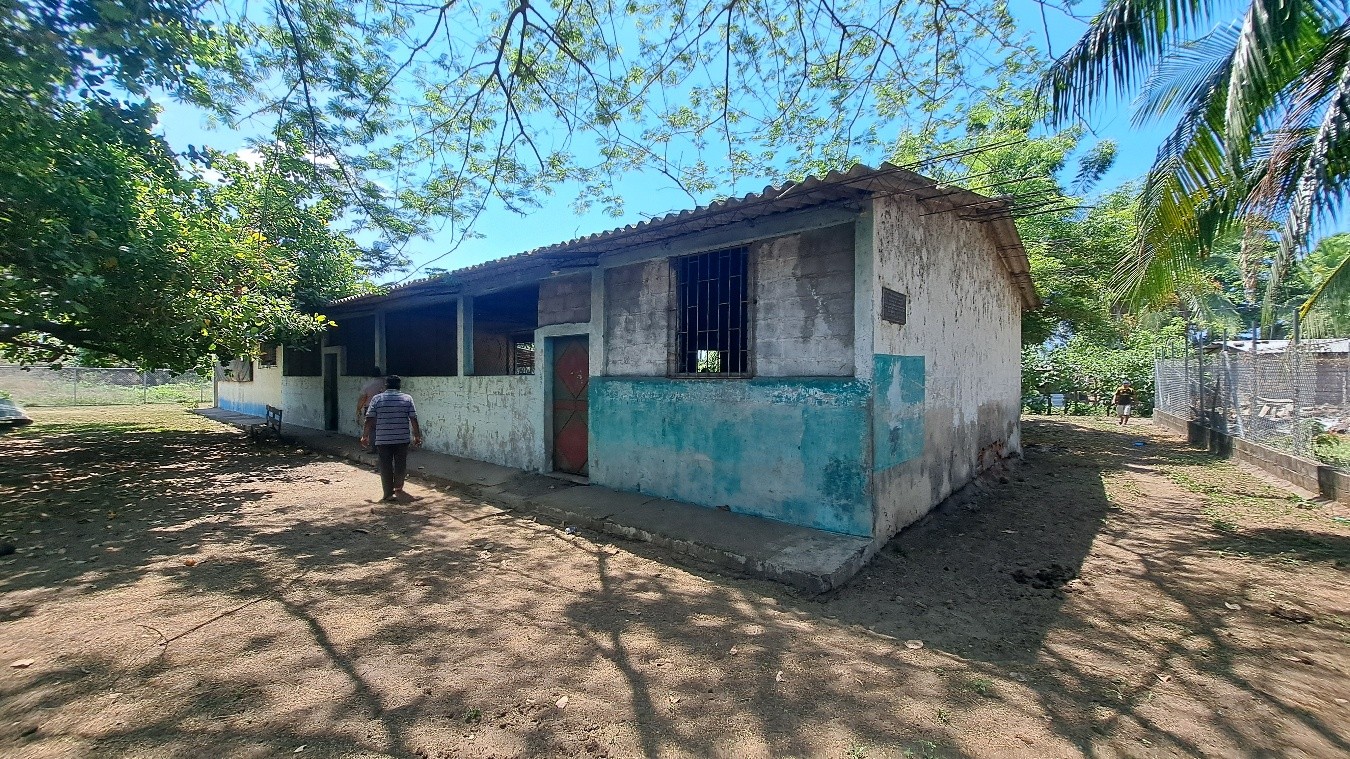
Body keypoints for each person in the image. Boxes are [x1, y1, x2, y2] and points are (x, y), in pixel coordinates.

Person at [360, 375, 424, 502]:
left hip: (383, 439)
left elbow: (369, 418)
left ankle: (388, 493)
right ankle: (398, 486)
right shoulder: (407, 398)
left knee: (385, 465)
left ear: (385, 386)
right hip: (402, 438)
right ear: (399, 386)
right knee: (400, 464)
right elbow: (413, 418)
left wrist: (365, 436)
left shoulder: (377, 399)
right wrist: (417, 436)